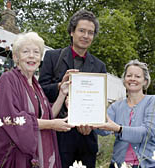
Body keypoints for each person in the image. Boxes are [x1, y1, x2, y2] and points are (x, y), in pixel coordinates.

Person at [0, 32, 74, 168]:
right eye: (25, 51)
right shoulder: (8, 79)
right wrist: (52, 125)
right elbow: (12, 119)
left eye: (36, 52)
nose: (31, 56)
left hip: (39, 156)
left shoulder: (36, 86)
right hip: (18, 157)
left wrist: (62, 94)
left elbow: (48, 116)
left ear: (40, 58)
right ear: (16, 57)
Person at [39, 9, 106, 168]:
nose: (86, 36)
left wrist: (92, 125)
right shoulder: (52, 57)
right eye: (82, 30)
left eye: (90, 33)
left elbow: (99, 102)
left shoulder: (99, 66)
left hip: (86, 138)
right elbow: (40, 91)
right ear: (71, 32)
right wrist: (60, 86)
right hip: (59, 134)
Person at [94, 60, 155, 168]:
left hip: (145, 165)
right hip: (118, 164)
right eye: (129, 75)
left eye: (137, 76)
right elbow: (103, 130)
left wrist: (119, 129)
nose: (132, 79)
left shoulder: (153, 101)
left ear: (145, 81)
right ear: (124, 79)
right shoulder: (115, 106)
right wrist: (89, 121)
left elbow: (148, 132)